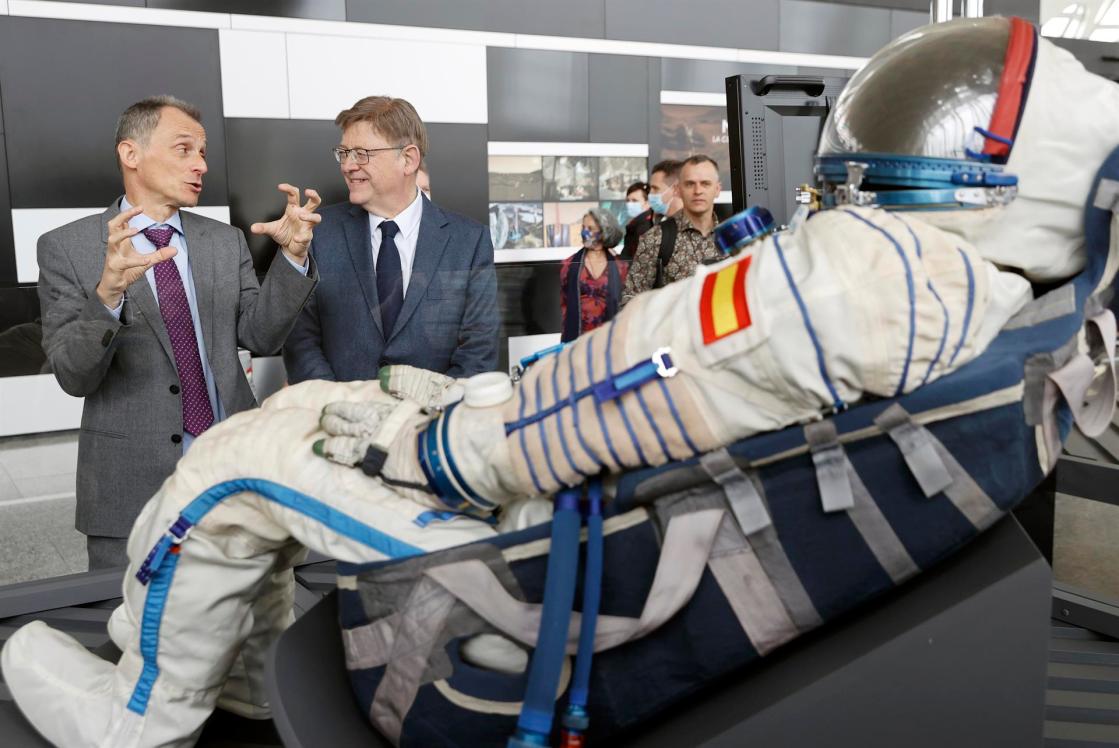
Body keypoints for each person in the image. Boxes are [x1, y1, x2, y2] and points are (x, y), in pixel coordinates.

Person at [7, 17, 1119, 748]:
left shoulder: (867, 278)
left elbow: (627, 388)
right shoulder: (1002, 303)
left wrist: (432, 440)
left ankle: (138, 713)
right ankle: (229, 669)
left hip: (546, 546)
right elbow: (647, 394)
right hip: (613, 509)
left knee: (233, 460)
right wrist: (450, 408)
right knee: (303, 408)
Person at [34, 95, 320, 570]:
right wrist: (106, 296)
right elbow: (74, 375)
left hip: (235, 468)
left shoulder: (223, 242)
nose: (200, 165)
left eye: (203, 152)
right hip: (130, 487)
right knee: (133, 630)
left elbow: (261, 336)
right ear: (131, 155)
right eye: (184, 149)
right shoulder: (69, 248)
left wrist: (290, 260)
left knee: (251, 621)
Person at [283, 96, 499, 384]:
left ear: (408, 159)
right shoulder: (318, 232)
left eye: (361, 153)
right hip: (340, 419)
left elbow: (478, 350)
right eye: (343, 153)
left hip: (432, 421)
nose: (347, 165)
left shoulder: (469, 242)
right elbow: (301, 341)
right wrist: (337, 404)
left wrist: (426, 415)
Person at [620, 155, 721, 306]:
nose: (698, 190)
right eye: (690, 184)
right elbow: (630, 302)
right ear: (678, 190)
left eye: (705, 184)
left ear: (717, 189)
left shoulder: (733, 237)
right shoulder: (655, 239)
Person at [559, 208, 629, 342]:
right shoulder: (568, 265)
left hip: (610, 339)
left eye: (591, 228)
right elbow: (565, 306)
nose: (585, 232)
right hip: (578, 340)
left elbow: (624, 305)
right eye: (583, 227)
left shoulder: (621, 267)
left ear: (604, 232)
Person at [619, 180, 651, 261]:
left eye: (634, 201)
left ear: (647, 203)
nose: (629, 204)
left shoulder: (645, 228)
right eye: (628, 201)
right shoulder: (635, 224)